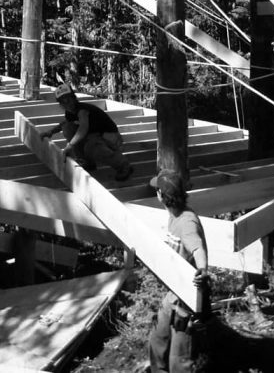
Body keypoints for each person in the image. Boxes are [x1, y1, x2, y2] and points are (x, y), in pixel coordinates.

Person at [148, 169, 210, 373]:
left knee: (179, 360)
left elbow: (197, 249)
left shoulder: (186, 221)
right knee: (157, 341)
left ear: (161, 195)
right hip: (173, 293)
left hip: (188, 297)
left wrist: (202, 270)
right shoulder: (174, 215)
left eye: (157, 190)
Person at [41, 82, 134, 182]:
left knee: (91, 147)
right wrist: (50, 132)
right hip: (95, 136)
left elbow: (83, 128)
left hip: (111, 138)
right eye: (64, 101)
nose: (68, 103)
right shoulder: (70, 113)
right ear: (61, 104)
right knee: (68, 127)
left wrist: (70, 145)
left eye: (69, 99)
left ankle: (124, 166)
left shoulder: (82, 110)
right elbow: (65, 124)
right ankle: (87, 162)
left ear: (74, 98)